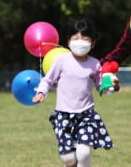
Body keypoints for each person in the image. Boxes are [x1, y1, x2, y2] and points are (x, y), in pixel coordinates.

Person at [32, 18, 114, 167]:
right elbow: (48, 80)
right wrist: (41, 92)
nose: (80, 42)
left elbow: (101, 85)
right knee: (68, 159)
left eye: (85, 38)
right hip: (63, 115)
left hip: (86, 115)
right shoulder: (61, 60)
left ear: (92, 43)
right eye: (75, 38)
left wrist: (111, 86)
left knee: (84, 153)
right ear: (69, 42)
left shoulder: (95, 64)